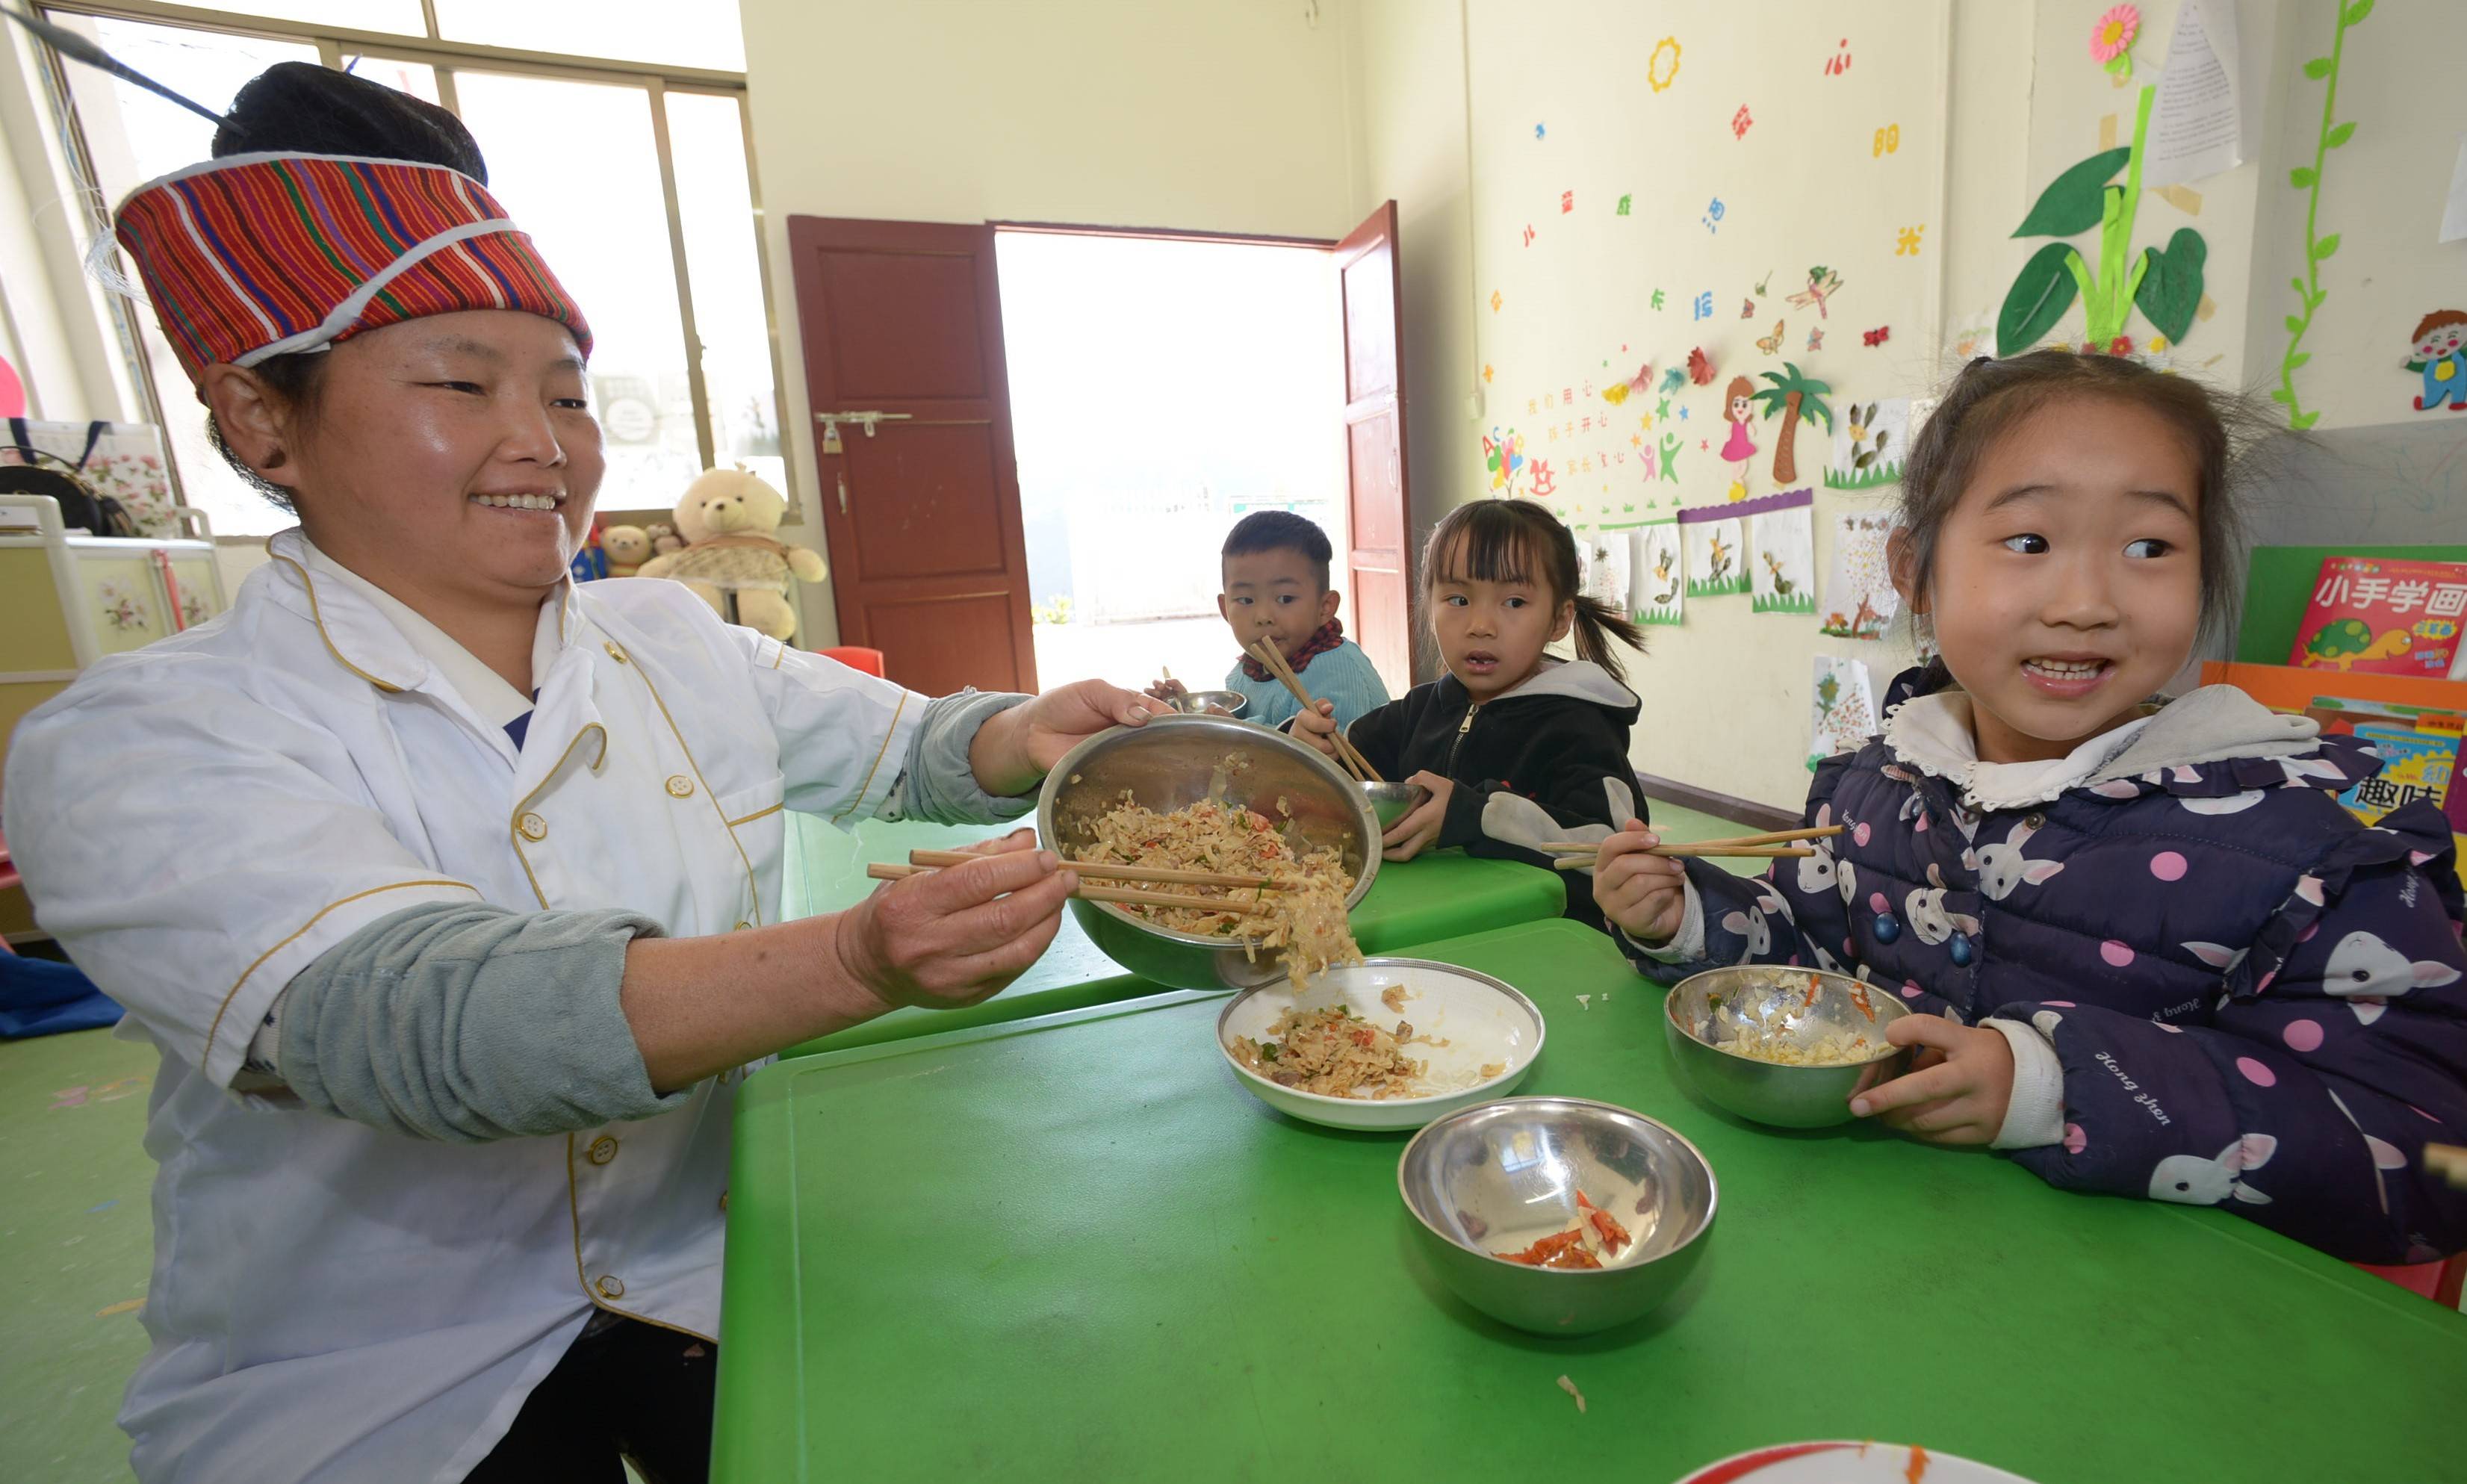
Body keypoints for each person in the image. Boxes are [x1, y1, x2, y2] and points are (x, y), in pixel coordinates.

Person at [0, 63, 1152, 1483]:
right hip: (375, 1365)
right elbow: (406, 1015)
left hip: (699, 1264)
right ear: (258, 419)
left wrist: (1021, 733)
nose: (541, 444)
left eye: (565, 392)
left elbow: (898, 747)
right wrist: (856, 956)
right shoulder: (139, 736)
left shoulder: (666, 633)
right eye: (457, 383)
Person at [1593, 350, 2467, 1264]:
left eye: (2149, 548)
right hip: (1896, 1255)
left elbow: (2427, 1154)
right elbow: (1814, 974)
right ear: (1914, 573)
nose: (2086, 603)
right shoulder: (1876, 781)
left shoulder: (2312, 852)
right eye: (2030, 542)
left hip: (2166, 1334)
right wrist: (1687, 916)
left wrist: (2057, 1087)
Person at [1292, 499, 1645, 931]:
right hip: (1432, 935)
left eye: (1514, 602)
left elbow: (1609, 848)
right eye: (1458, 599)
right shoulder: (1421, 710)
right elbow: (1350, 771)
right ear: (1429, 604)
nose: (1480, 624)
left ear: (1560, 619)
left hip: (1545, 942)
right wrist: (1311, 752)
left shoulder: (1579, 727)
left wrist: (1475, 816)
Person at [1146, 510, 1388, 729]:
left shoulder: (1339, 671)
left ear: (1325, 608)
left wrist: (1239, 733)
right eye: (1246, 600)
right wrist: (1188, 710)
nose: (1263, 617)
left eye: (1285, 598)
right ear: (1225, 610)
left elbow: (1336, 768)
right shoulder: (1246, 671)